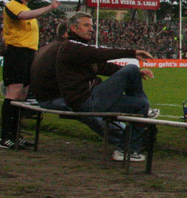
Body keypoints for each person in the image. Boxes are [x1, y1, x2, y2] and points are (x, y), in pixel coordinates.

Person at [55, 12, 157, 161]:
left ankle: (126, 151)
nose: (91, 29)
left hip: (91, 99)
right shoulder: (70, 47)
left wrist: (138, 73)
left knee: (141, 105)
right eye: (86, 25)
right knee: (131, 68)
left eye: (91, 25)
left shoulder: (79, 49)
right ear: (74, 28)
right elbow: (99, 54)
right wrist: (132, 53)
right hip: (86, 100)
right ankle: (142, 119)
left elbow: (103, 67)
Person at [29, 21, 125, 148]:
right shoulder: (67, 49)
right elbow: (97, 66)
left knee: (93, 101)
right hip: (55, 98)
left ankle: (125, 134)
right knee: (90, 107)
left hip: (44, 97)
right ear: (67, 33)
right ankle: (126, 138)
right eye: (84, 27)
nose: (90, 30)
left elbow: (96, 66)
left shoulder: (49, 47)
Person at [0, 0, 60, 149]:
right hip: (16, 53)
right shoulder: (13, 5)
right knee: (13, 93)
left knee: (22, 94)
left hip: (28, 54)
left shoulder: (26, 8)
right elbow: (23, 16)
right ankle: (5, 136)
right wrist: (49, 7)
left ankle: (15, 134)